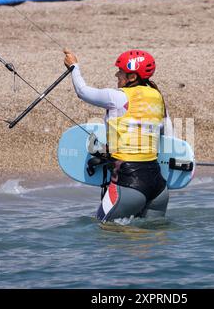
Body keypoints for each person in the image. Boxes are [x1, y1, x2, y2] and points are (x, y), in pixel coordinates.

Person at [63, 49, 172, 222]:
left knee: (103, 230)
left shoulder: (118, 97)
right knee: (151, 241)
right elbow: (162, 134)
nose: (117, 74)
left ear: (132, 77)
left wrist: (74, 67)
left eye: (120, 71)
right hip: (158, 187)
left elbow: (82, 92)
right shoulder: (158, 97)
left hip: (128, 184)